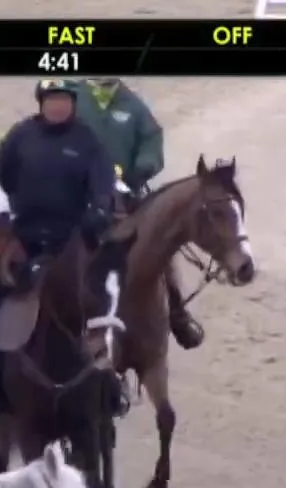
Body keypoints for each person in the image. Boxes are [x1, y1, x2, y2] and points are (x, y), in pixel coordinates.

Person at [0, 78, 118, 409]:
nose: (57, 105)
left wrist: (99, 210)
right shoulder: (21, 136)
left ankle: (109, 383)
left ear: (73, 103)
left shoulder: (88, 142)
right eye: (51, 99)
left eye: (63, 99)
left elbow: (103, 187)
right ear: (41, 103)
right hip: (23, 239)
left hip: (70, 244)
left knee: (102, 299)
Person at [74, 77, 204, 350]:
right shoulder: (73, 97)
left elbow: (151, 142)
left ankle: (177, 311)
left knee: (161, 244)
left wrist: (143, 166)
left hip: (126, 194)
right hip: (77, 191)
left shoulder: (133, 105)